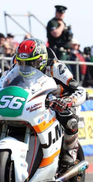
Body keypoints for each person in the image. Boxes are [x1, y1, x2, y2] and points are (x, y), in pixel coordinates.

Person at [13, 38, 87, 168]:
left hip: (59, 101)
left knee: (68, 118)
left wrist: (69, 100)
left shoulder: (56, 67)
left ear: (41, 60)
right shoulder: (15, 63)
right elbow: (5, 82)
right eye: (22, 62)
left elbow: (80, 90)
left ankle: (70, 152)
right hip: (33, 100)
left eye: (30, 63)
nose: (25, 66)